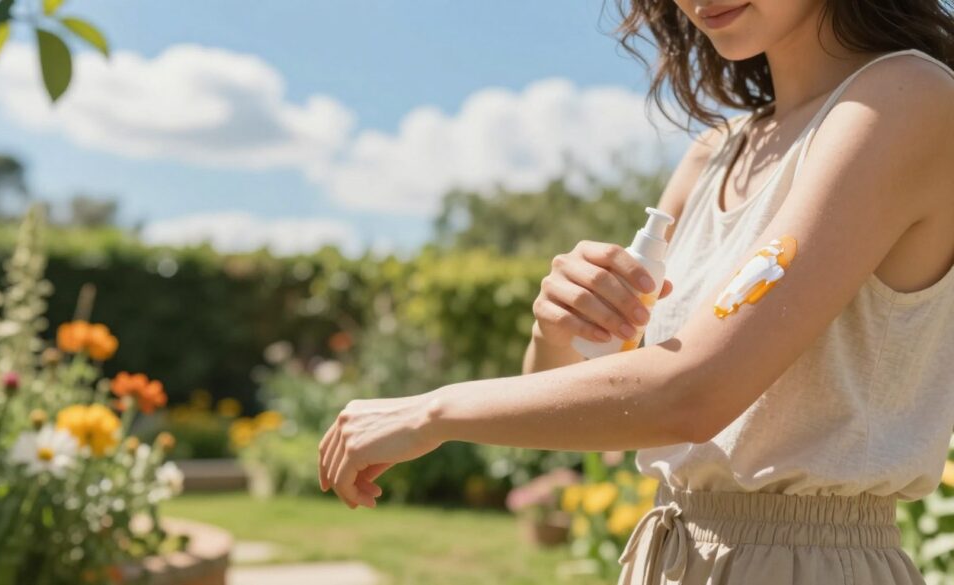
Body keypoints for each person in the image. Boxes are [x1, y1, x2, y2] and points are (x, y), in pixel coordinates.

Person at [317, 0, 954, 582]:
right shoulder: (717, 152)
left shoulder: (908, 100)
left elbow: (693, 393)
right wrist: (558, 327)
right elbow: (588, 400)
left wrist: (435, 412)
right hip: (668, 554)